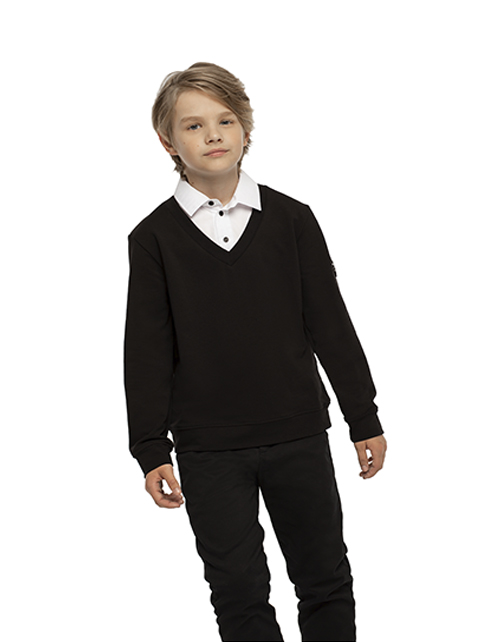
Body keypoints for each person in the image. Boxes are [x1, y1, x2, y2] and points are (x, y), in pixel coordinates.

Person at [123, 61, 387, 642]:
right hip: (208, 449)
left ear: (245, 128)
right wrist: (149, 447)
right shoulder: (153, 239)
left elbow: (330, 323)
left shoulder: (292, 220)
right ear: (167, 141)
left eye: (224, 120)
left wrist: (362, 416)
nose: (212, 135)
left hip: (298, 433)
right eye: (193, 125)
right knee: (238, 593)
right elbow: (145, 349)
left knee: (324, 579)